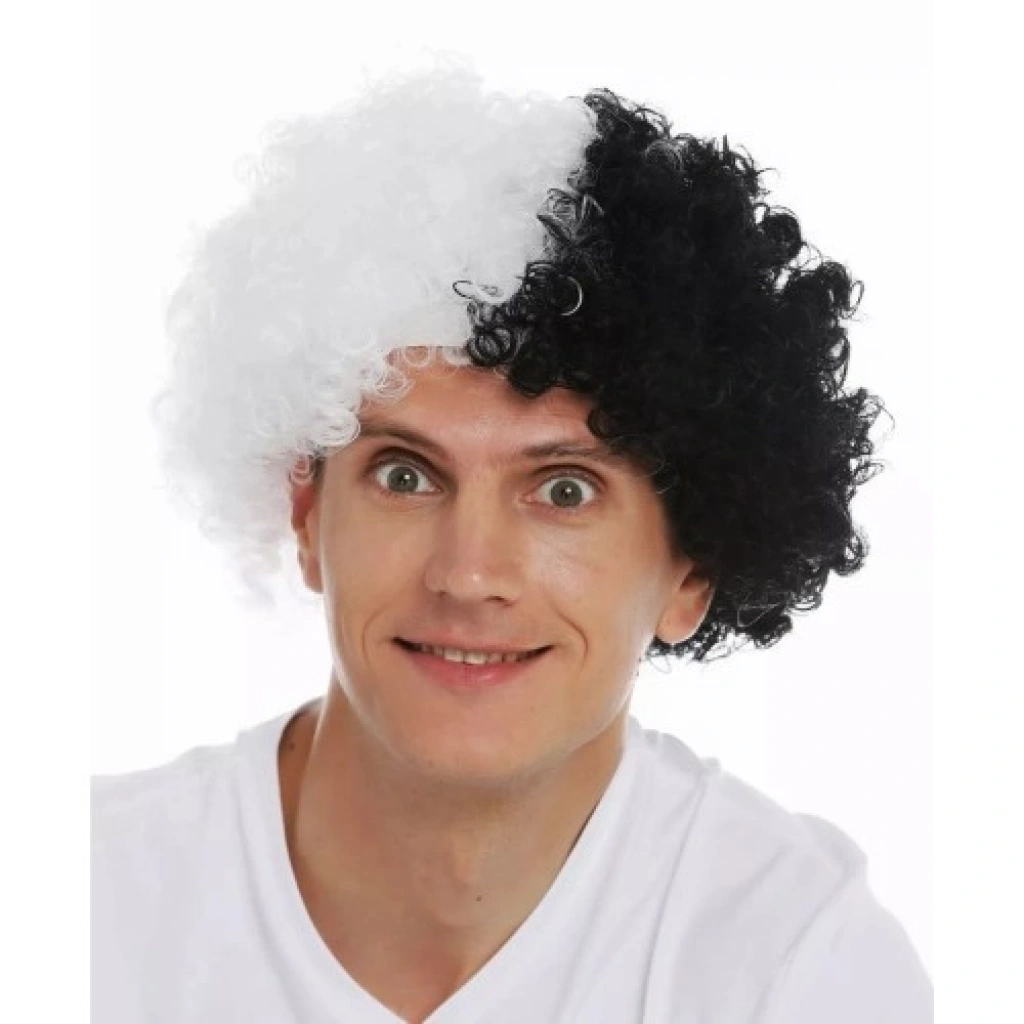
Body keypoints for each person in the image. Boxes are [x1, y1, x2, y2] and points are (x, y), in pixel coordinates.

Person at [91, 56, 933, 1023]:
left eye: (564, 490)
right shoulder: (82, 903)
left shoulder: (795, 966)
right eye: (405, 475)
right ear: (308, 515)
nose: (469, 573)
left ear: (690, 572)